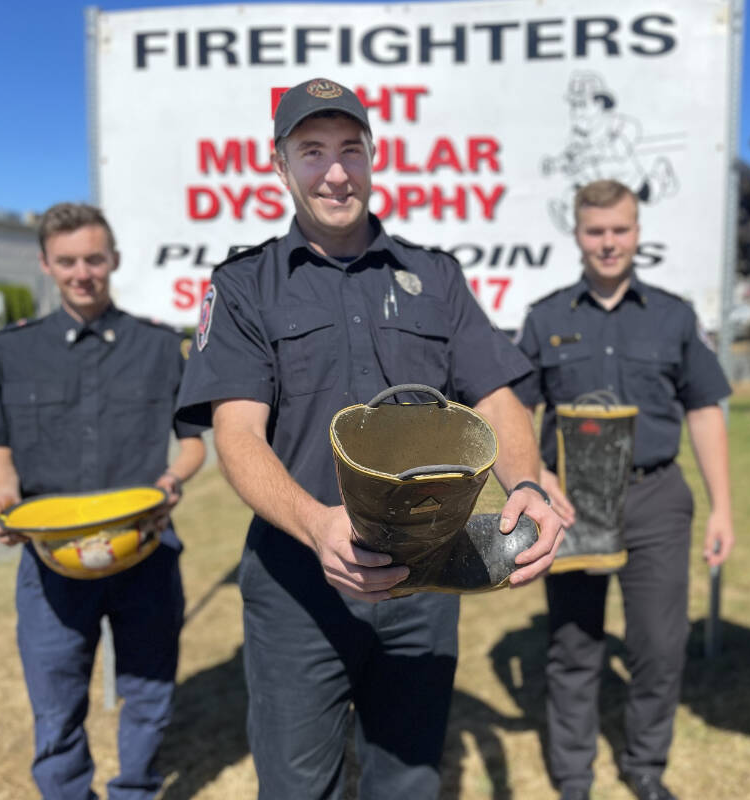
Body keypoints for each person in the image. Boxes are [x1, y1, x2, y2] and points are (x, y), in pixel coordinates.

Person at [174, 77, 563, 799]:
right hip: (298, 584)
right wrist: (318, 525)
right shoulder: (244, 285)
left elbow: (497, 395)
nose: (335, 171)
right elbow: (237, 434)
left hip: (427, 576)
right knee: (297, 787)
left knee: (409, 781)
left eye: (351, 149)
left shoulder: (434, 277)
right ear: (279, 163)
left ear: (373, 156)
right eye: (312, 150)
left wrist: (530, 485)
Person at [0, 203, 207, 799]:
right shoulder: (12, 351)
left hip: (145, 550)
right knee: (55, 697)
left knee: (148, 691)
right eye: (67, 261)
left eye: (94, 258)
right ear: (46, 265)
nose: (82, 272)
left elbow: (193, 445)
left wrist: (172, 481)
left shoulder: (159, 346)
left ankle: (136, 790)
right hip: (52, 562)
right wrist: (3, 493)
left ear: (113, 260)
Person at [514, 179, 735, 800]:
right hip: (573, 502)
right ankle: (574, 777)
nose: (608, 243)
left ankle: (644, 767)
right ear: (578, 235)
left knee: (659, 647)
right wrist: (538, 477)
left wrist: (723, 507)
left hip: (656, 498)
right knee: (574, 645)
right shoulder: (546, 318)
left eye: (619, 230)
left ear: (637, 233)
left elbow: (705, 411)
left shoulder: (674, 316)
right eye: (595, 231)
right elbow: (516, 410)